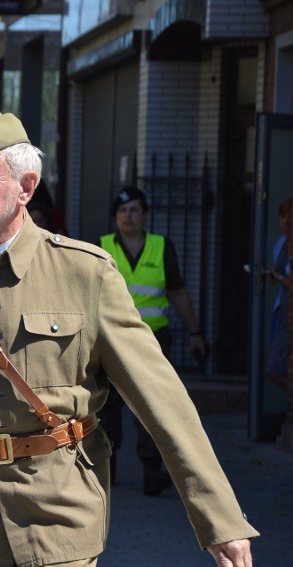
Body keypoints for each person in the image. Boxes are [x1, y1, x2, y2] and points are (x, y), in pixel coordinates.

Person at [0, 109, 257, 567]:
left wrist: (219, 519)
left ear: (26, 187)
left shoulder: (85, 274)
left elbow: (162, 401)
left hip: (54, 521)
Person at [97, 185, 206, 495]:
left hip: (153, 340)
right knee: (107, 406)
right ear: (115, 217)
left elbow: (178, 292)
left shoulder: (161, 247)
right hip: (110, 339)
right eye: (122, 211)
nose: (128, 215)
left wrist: (196, 332)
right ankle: (108, 468)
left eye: (134, 209)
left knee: (153, 406)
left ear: (144, 214)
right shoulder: (103, 247)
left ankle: (151, 472)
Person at [267, 197, 292, 387]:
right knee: (277, 367)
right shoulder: (281, 244)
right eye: (281, 216)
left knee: (275, 369)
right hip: (281, 310)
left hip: (288, 314)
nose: (284, 222)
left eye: (288, 217)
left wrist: (281, 279)